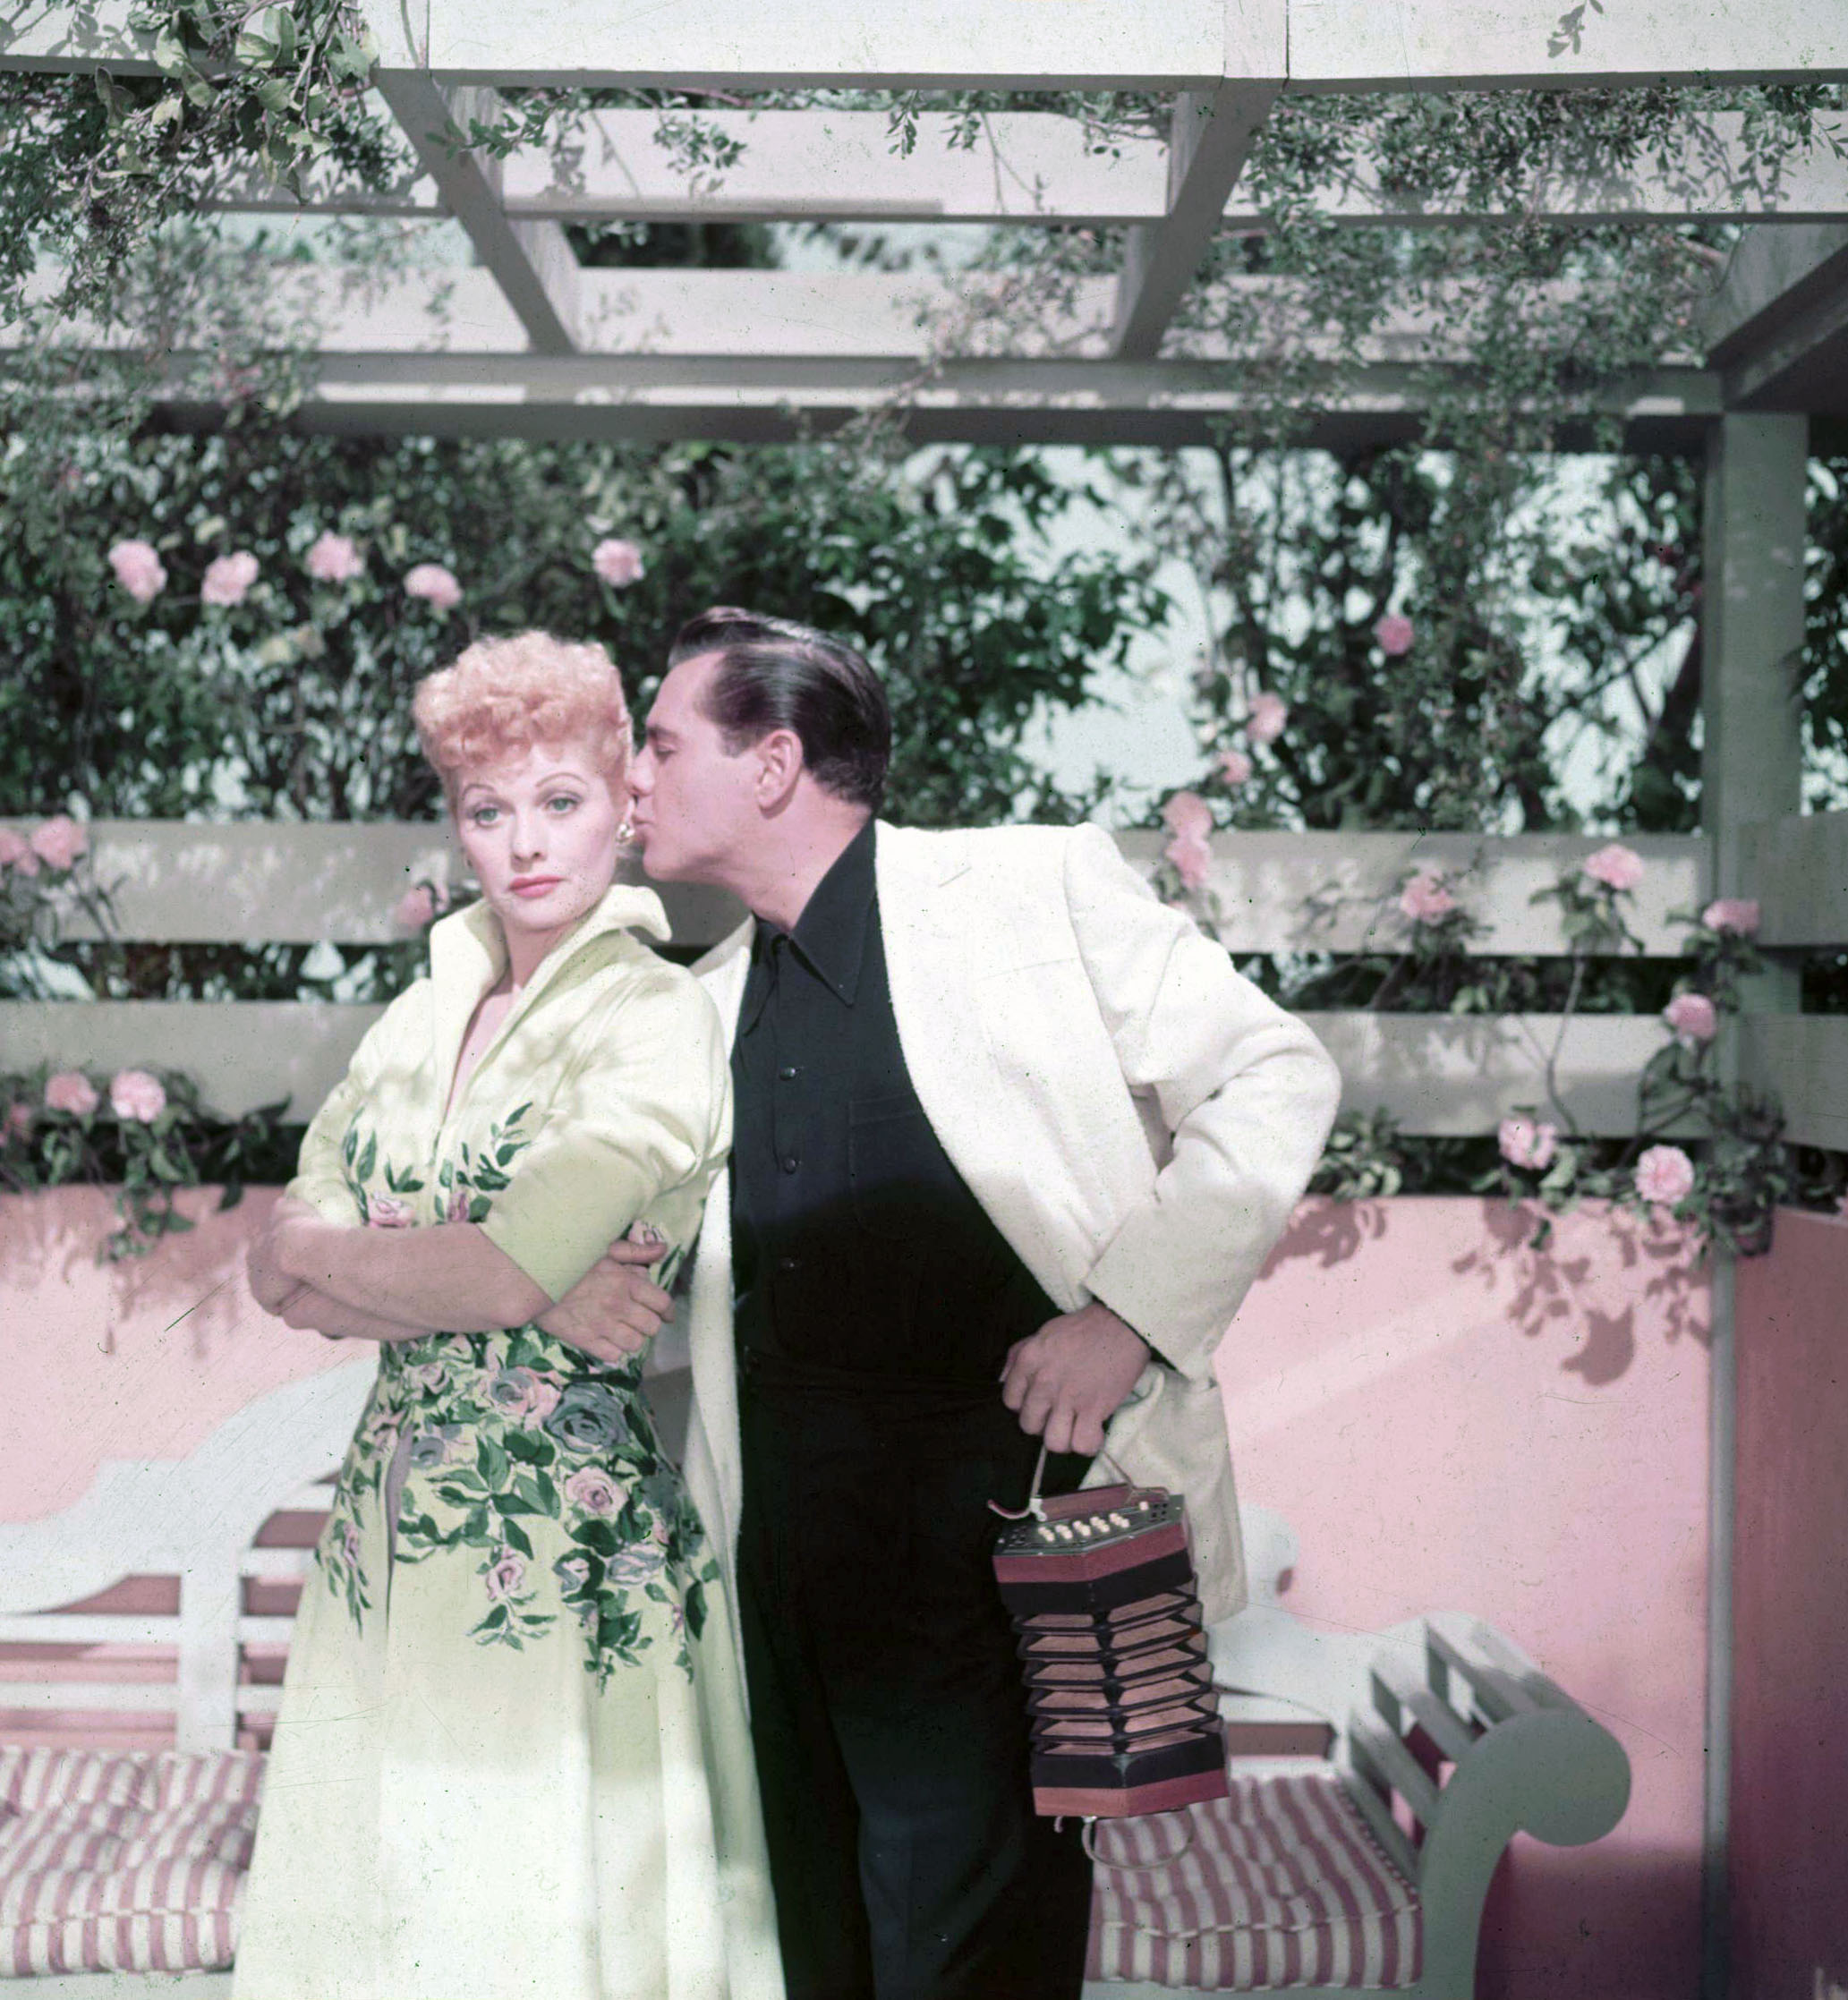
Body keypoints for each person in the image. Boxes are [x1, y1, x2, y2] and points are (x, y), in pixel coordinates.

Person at [596, 607, 1344, 2000]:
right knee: (816, 1955)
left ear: (771, 765)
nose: (632, 775)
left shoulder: (1027, 889)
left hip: (990, 1551)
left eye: (660, 742)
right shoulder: (696, 1004)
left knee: (968, 1963)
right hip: (776, 1566)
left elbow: (1277, 1071)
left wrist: (1128, 1319)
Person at [232, 630, 784, 2000]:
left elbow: (488, 1275)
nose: (527, 843)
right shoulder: (418, 1019)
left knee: (533, 1914)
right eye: (490, 811)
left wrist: (397, 1259)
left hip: (555, 1539)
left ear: (622, 807)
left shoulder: (653, 1014)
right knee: (393, 1905)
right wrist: (466, 1267)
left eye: (561, 801)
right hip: (385, 1531)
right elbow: (272, 1268)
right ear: (460, 827)